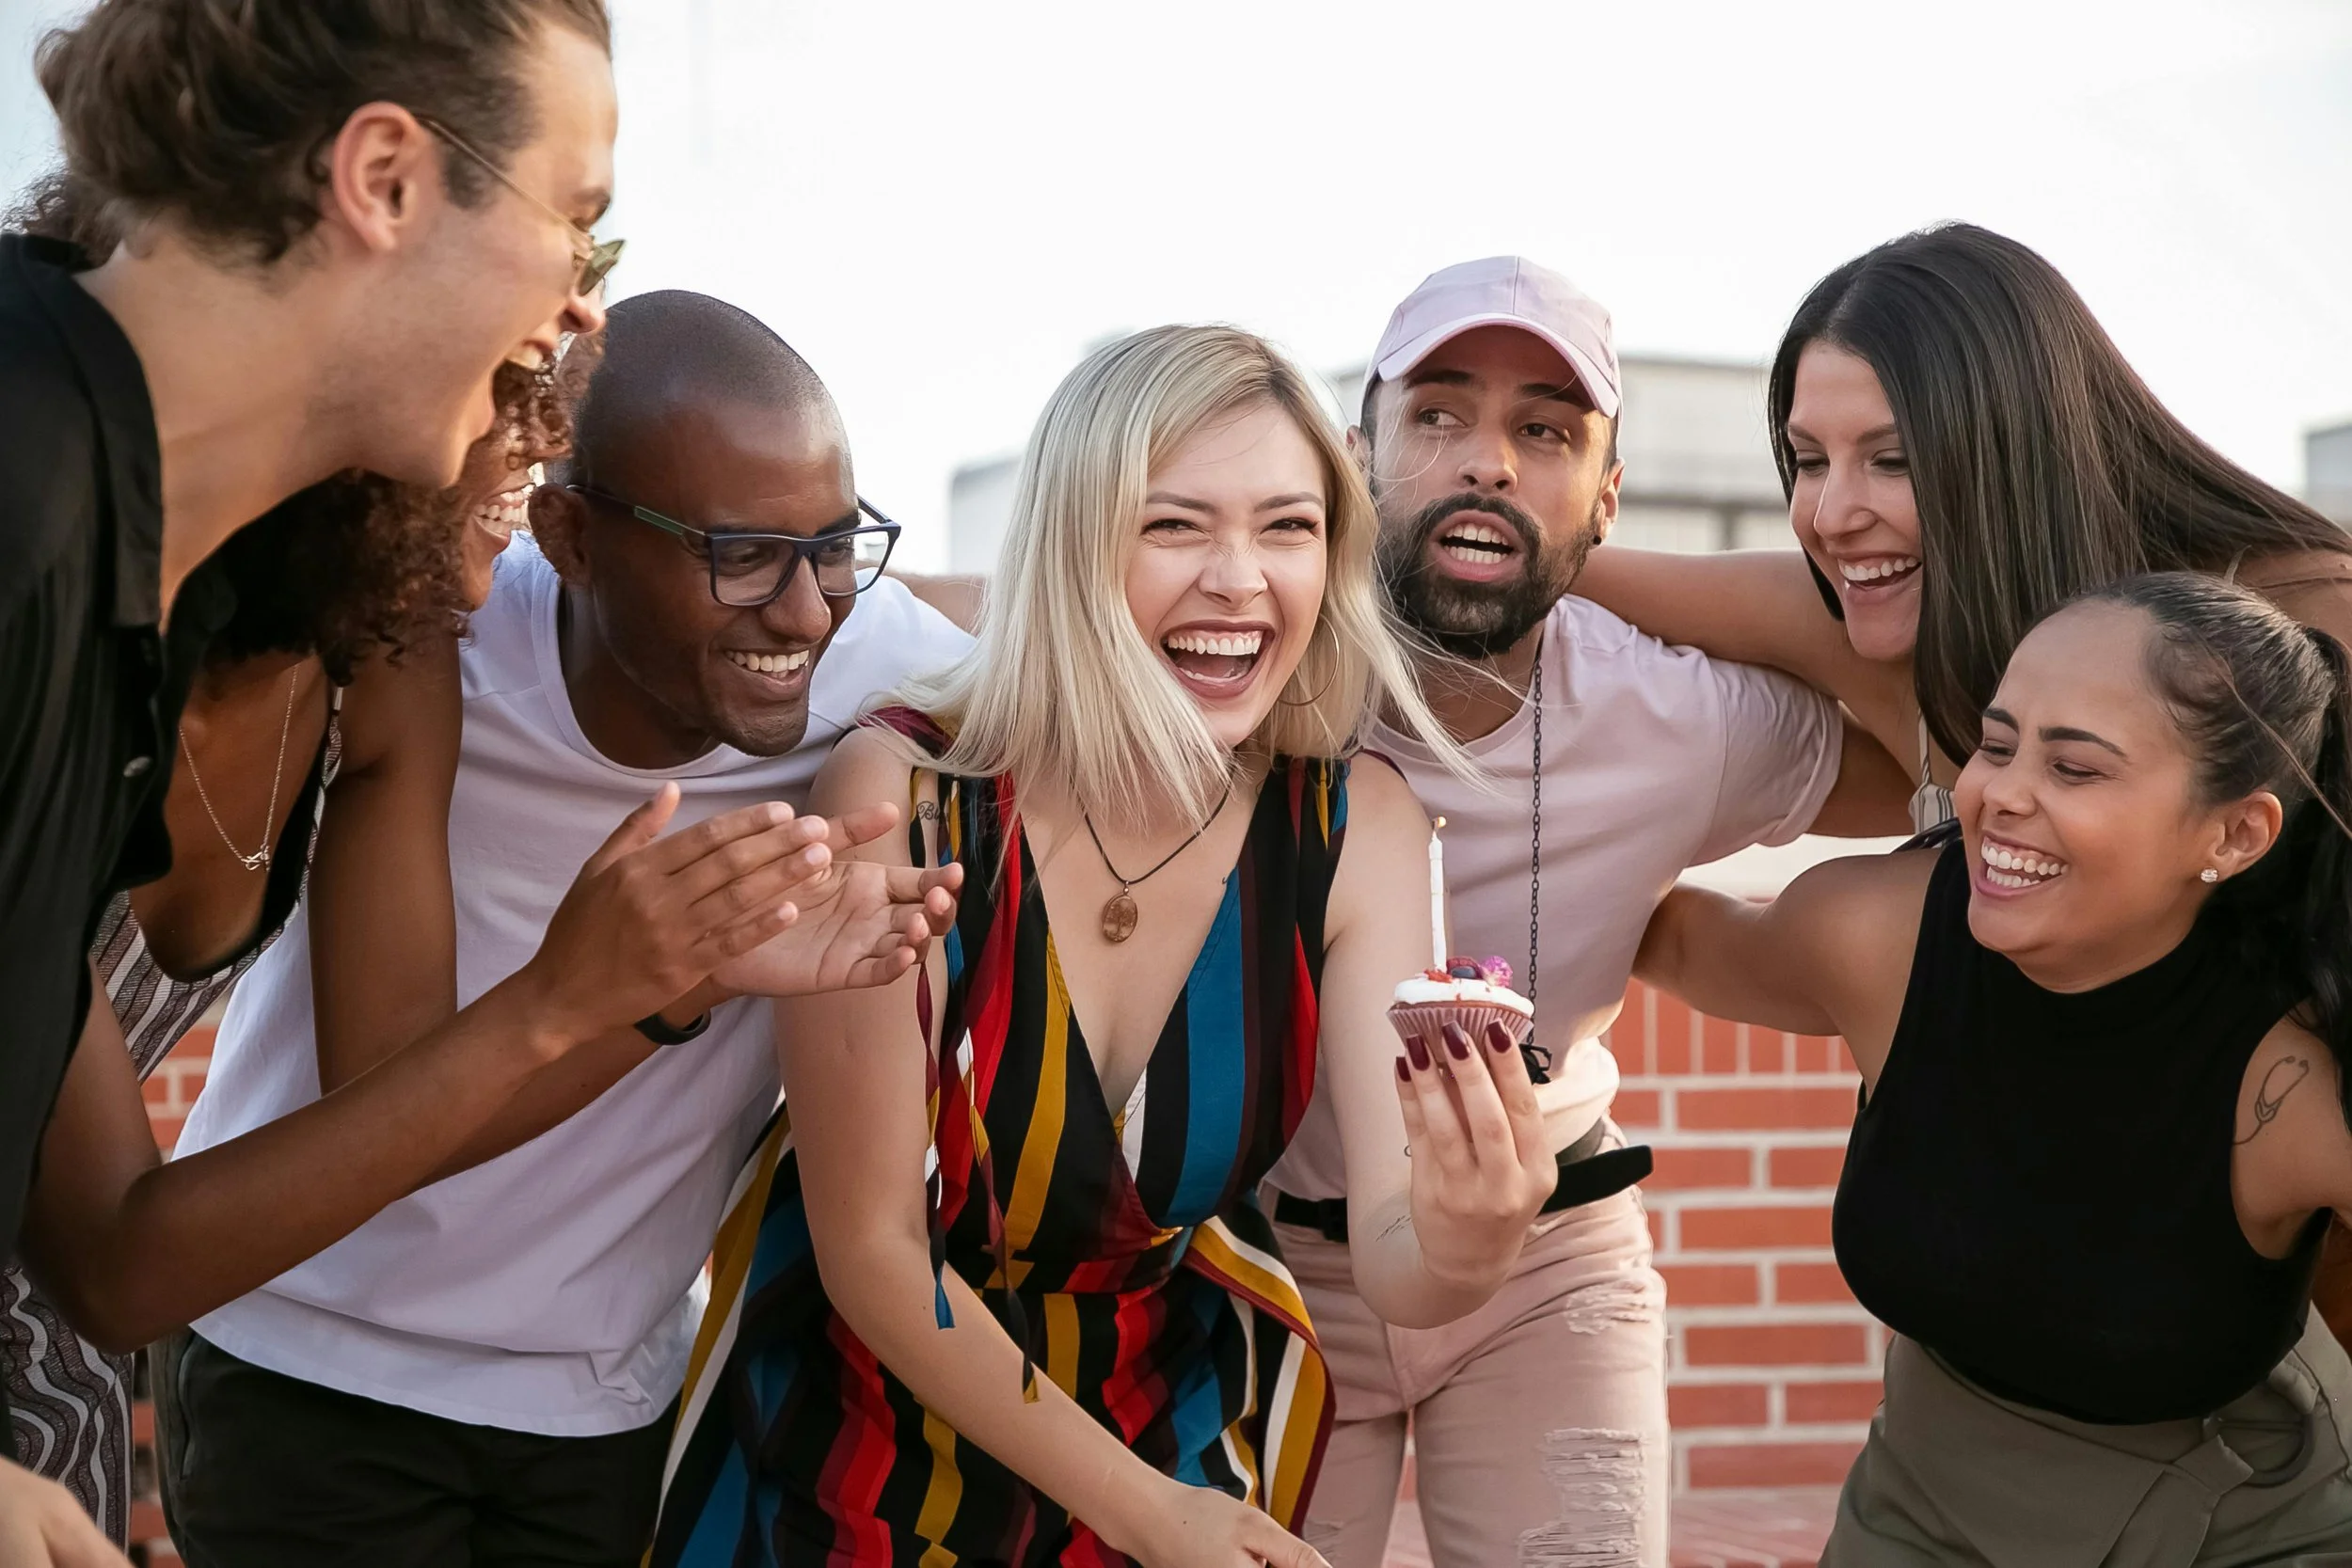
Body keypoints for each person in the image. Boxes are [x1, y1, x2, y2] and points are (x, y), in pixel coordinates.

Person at [650, 324, 1563, 1568]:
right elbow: (870, 1252)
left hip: (1166, 1416)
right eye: (1176, 524)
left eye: (1289, 528)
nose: (1243, 580)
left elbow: (1401, 1264)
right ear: (1076, 548)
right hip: (857, 1442)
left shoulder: (1360, 828)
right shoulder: (907, 788)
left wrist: (1473, 1229)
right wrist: (1146, 1514)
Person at [160, 291, 975, 1568]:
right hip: (305, 1357)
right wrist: (664, 984)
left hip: (599, 1399)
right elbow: (393, 1090)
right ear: (571, 534)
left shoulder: (878, 670)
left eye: (832, 544)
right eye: (742, 553)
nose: (808, 610)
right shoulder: (430, 643)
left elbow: (1114, 682)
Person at [0, 0, 620, 1524]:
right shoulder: (23, 471)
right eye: (576, 220)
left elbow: (109, 1252)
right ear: (387, 179)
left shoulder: (155, 586)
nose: (587, 313)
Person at [1229, 258, 1904, 1568]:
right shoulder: (1248, 661)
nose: (1486, 461)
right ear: (1359, 453)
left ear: (1606, 490)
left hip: (1552, 1258)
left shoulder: (1680, 716)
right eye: (1437, 416)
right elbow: (1028, 646)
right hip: (1269, 1262)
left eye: (1544, 431)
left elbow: (1930, 749)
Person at [1571, 219, 2352, 1333]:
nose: (1834, 511)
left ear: (2014, 444)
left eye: (1891, 458)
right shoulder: (1881, 619)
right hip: (2001, 1296)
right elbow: (1566, 582)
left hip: (2272, 1337)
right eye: (1806, 459)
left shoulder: (2298, 623)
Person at [1635, 573, 2352, 1561]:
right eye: (1998, 742)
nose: (1999, 794)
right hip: (1917, 1506)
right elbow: (1669, 941)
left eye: (2077, 768)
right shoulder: (1880, 937)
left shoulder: (2295, 1079)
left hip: (2241, 1523)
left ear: (2233, 834)